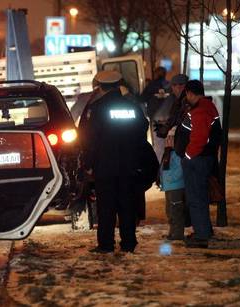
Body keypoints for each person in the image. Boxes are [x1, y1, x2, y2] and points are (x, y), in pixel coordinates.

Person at [79, 70, 149, 253]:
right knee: (127, 205)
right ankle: (128, 243)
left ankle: (106, 244)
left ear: (101, 87)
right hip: (129, 165)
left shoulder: (98, 108)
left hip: (106, 166)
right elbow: (143, 128)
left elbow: (91, 139)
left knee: (106, 207)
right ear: (118, 85)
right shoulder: (132, 107)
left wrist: (88, 164)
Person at [174, 80, 222, 248]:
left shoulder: (200, 111)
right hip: (202, 158)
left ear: (190, 93)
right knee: (199, 196)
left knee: (196, 198)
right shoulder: (207, 107)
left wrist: (187, 156)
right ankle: (204, 230)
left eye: (186, 94)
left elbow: (199, 138)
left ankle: (201, 236)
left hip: (197, 159)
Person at [156, 74, 189, 240]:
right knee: (172, 201)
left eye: (179, 86)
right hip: (174, 155)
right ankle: (174, 231)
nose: (176, 89)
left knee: (176, 201)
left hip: (179, 155)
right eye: (174, 86)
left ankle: (177, 233)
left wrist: (169, 131)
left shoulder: (185, 104)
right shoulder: (177, 103)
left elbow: (181, 127)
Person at [141, 67, 170, 161]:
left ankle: (160, 167)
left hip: (156, 119)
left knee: (158, 145)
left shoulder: (151, 86)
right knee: (169, 144)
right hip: (170, 121)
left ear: (156, 74)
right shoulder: (169, 86)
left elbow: (141, 98)